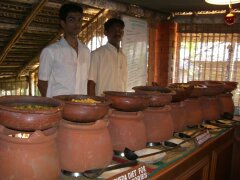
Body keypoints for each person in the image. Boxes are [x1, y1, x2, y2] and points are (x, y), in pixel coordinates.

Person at [38, 3, 90, 97]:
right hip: (59, 107)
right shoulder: (50, 51)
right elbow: (42, 83)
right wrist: (53, 105)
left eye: (79, 20)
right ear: (63, 23)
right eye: (71, 20)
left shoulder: (86, 51)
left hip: (80, 106)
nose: (77, 24)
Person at [88, 18, 128, 96]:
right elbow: (91, 83)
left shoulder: (123, 57)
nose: (118, 33)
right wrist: (93, 104)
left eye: (120, 31)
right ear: (105, 32)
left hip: (120, 103)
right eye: (114, 30)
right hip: (103, 103)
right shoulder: (97, 54)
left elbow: (124, 83)